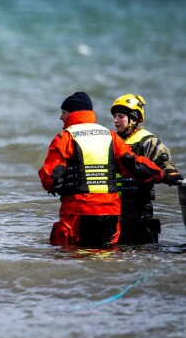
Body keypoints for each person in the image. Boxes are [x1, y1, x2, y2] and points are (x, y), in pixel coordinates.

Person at [38, 92, 171, 248]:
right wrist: (162, 174)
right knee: (106, 257)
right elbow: (133, 164)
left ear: (73, 113)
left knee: (75, 257)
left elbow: (49, 176)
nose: (61, 117)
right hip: (111, 213)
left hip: (78, 212)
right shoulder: (110, 136)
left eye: (64, 112)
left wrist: (55, 185)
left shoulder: (65, 138)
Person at [110, 93, 183, 244]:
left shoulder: (148, 141)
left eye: (120, 116)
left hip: (139, 207)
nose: (116, 120)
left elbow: (167, 166)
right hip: (116, 206)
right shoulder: (112, 141)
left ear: (134, 119)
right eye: (115, 116)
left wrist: (170, 174)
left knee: (143, 248)